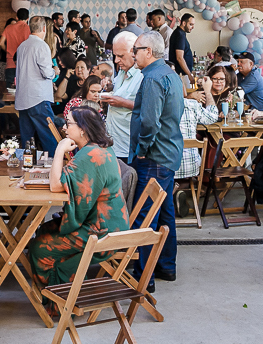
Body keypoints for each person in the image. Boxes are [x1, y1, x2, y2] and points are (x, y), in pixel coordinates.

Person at [30, 107, 130, 291]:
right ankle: (61, 288)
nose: (64, 128)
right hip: (111, 223)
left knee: (39, 247)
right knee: (45, 229)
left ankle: (57, 296)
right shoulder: (97, 150)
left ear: (83, 128)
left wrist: (59, 149)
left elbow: (55, 186)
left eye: (68, 123)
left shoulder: (90, 155)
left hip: (102, 232)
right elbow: (67, 180)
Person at [129, 31, 184, 286]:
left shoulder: (152, 78)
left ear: (148, 52)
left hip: (154, 155)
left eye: (136, 49)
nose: (133, 54)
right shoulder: (171, 74)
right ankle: (166, 266)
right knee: (165, 214)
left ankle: (144, 275)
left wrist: (142, 147)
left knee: (145, 216)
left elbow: (150, 121)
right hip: (169, 152)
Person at [16, 15, 59, 155]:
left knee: (26, 141)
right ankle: (54, 169)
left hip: (23, 99)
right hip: (39, 98)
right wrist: (54, 71)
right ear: (44, 28)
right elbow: (47, 73)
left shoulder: (22, 46)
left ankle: (25, 169)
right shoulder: (42, 46)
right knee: (49, 137)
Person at [103, 31, 143, 166]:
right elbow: (119, 90)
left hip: (128, 145)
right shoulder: (122, 71)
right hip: (114, 142)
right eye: (115, 55)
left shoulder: (142, 75)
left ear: (134, 52)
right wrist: (109, 87)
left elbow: (148, 107)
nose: (116, 60)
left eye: (120, 56)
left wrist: (123, 103)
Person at [177, 75, 219, 180]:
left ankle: (173, 188)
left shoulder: (155, 105)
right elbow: (213, 116)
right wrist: (207, 92)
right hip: (190, 166)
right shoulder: (191, 105)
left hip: (163, 168)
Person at [0, 8, 30, 88]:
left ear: (16, 17)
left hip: (10, 63)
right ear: (28, 18)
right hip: (25, 64)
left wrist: (8, 50)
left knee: (10, 92)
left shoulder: (9, 28)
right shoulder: (29, 29)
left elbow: (0, 43)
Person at [169, 13, 195, 85]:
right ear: (184, 23)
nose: (193, 27)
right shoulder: (180, 35)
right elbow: (179, 57)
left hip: (182, 73)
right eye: (191, 24)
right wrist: (189, 75)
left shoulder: (180, 33)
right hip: (181, 74)